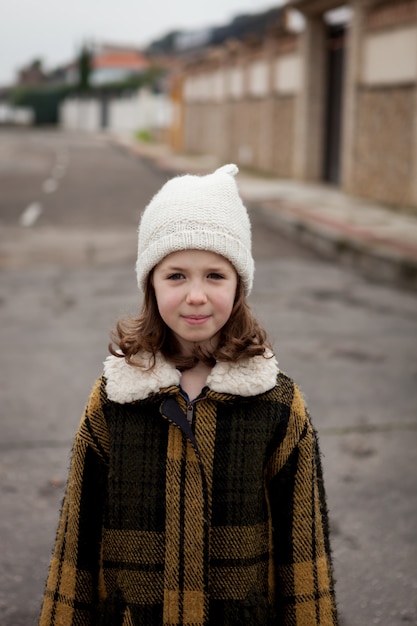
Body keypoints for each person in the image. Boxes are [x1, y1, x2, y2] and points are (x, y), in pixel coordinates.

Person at [39, 164, 338, 625]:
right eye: (176, 275)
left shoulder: (276, 403)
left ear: (239, 285)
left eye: (214, 276)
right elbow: (76, 539)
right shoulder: (114, 398)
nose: (196, 295)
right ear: (150, 284)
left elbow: (304, 551)